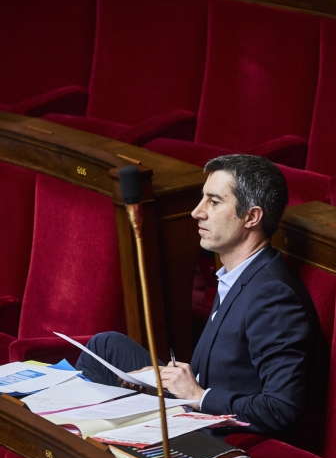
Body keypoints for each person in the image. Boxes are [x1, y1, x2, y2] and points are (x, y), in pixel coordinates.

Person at [76, 154, 316, 436]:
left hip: (214, 429)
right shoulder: (237, 271)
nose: (197, 212)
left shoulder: (274, 297)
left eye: (214, 202)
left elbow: (280, 409)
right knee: (105, 348)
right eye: (203, 199)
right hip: (193, 405)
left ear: (252, 216)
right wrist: (164, 380)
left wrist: (198, 395)